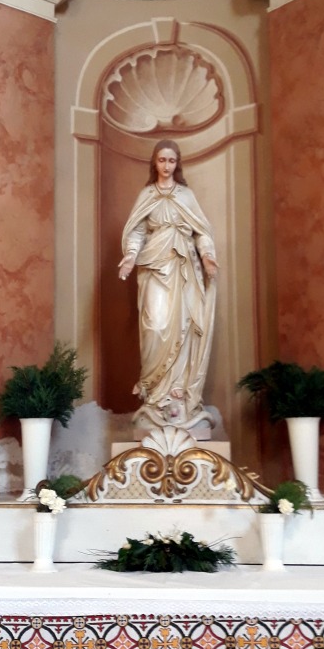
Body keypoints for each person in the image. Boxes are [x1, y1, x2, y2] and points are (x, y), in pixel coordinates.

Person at [119, 139, 218, 434]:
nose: (166, 165)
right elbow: (137, 231)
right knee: (155, 326)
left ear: (177, 164)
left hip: (183, 270)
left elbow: (201, 232)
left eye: (171, 160)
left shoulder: (186, 196)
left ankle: (177, 393)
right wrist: (130, 256)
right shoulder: (147, 195)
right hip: (154, 268)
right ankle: (154, 395)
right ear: (154, 162)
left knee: (183, 327)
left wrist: (208, 256)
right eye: (162, 160)